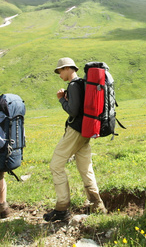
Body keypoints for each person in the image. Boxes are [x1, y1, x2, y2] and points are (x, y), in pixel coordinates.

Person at [43, 57, 107, 222]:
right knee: (86, 169)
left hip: (75, 132)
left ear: (67, 68)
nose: (59, 75)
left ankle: (62, 208)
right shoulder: (83, 84)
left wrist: (61, 100)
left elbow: (73, 111)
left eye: (60, 71)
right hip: (85, 131)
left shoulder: (73, 85)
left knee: (56, 165)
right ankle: (97, 206)